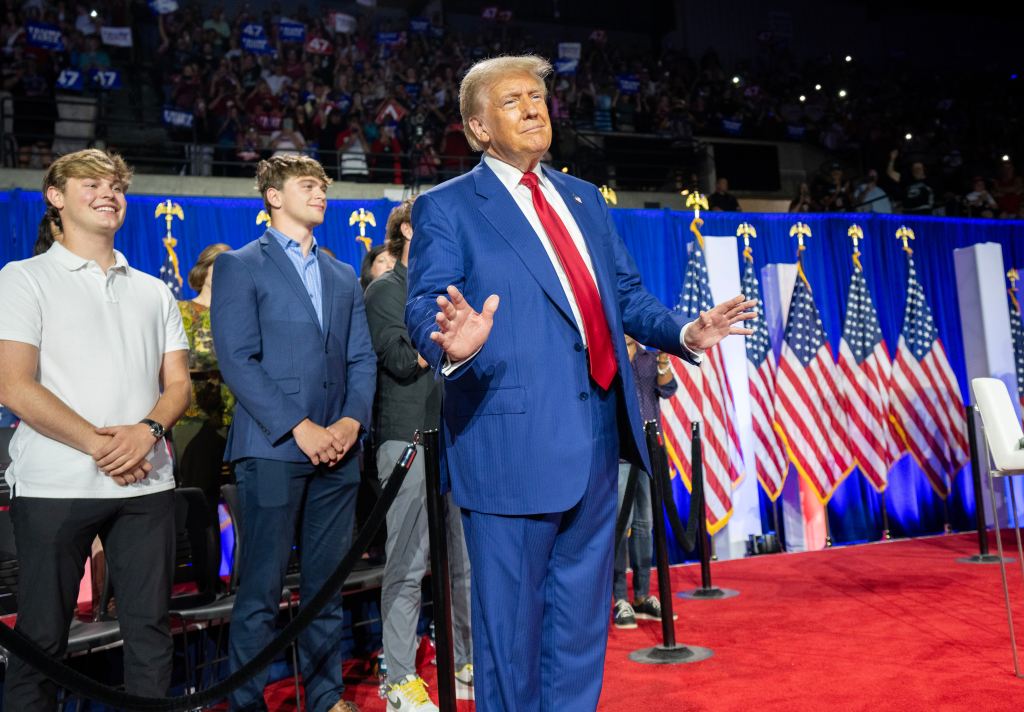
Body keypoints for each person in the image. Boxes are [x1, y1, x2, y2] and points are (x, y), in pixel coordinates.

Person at [404, 55, 754, 711]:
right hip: (510, 448)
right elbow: (425, 303)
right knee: (511, 638)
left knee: (579, 631)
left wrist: (682, 333)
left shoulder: (584, 198)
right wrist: (451, 342)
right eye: (513, 101)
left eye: (538, 96)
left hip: (598, 442)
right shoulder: (449, 207)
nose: (534, 107)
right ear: (478, 127)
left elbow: (624, 295)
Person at [0, 149, 191, 709]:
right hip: (56, 484)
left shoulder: (154, 289)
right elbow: (13, 385)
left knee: (151, 635)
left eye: (116, 186)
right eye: (91, 183)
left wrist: (147, 432)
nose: (109, 192)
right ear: (55, 197)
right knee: (40, 640)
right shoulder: (23, 279)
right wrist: (103, 444)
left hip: (146, 484)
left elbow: (178, 387)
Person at [212, 155, 376, 712]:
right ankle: (246, 702)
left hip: (340, 449)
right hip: (274, 448)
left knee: (325, 587)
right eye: (308, 185)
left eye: (324, 186)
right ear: (273, 197)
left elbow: (361, 358)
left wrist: (351, 421)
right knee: (260, 590)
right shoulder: (240, 265)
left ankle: (327, 697)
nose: (321, 193)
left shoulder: (341, 273)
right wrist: (301, 427)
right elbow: (237, 360)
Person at [364, 200, 473, 711]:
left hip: (456, 437)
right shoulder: (386, 289)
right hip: (406, 441)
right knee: (407, 566)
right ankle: (400, 681)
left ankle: (467, 659)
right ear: (408, 229)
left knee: (464, 562)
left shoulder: (451, 292)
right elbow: (401, 360)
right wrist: (451, 345)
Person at [611, 335, 676, 629]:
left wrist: (663, 358)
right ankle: (619, 598)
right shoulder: (609, 358)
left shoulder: (650, 359)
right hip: (620, 456)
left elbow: (668, 388)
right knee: (619, 526)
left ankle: (642, 595)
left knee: (643, 525)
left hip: (649, 455)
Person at [174, 243, 235, 525]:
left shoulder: (240, 314)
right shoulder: (181, 311)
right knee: (200, 499)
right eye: (218, 265)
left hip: (238, 417)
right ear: (204, 270)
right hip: (194, 418)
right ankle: (203, 566)